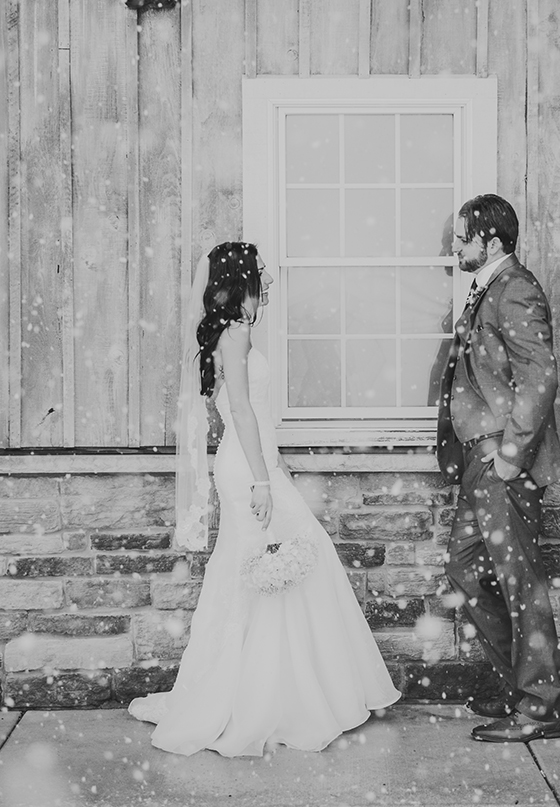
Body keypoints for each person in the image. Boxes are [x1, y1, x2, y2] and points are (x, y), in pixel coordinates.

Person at [129, 242, 400, 756]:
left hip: (254, 462)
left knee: (261, 571)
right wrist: (261, 481)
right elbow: (242, 412)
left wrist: (271, 467)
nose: (269, 279)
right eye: (261, 273)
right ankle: (270, 700)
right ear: (242, 277)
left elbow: (249, 414)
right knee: (274, 569)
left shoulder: (227, 329)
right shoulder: (236, 332)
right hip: (247, 468)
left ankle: (278, 691)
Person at [437, 195, 560, 743]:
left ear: (491, 241)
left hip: (500, 460)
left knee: (522, 585)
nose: (455, 247)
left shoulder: (514, 286)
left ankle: (540, 709)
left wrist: (512, 454)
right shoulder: (487, 288)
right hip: (478, 460)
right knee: (465, 575)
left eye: (463, 238)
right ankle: (520, 687)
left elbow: (539, 375)